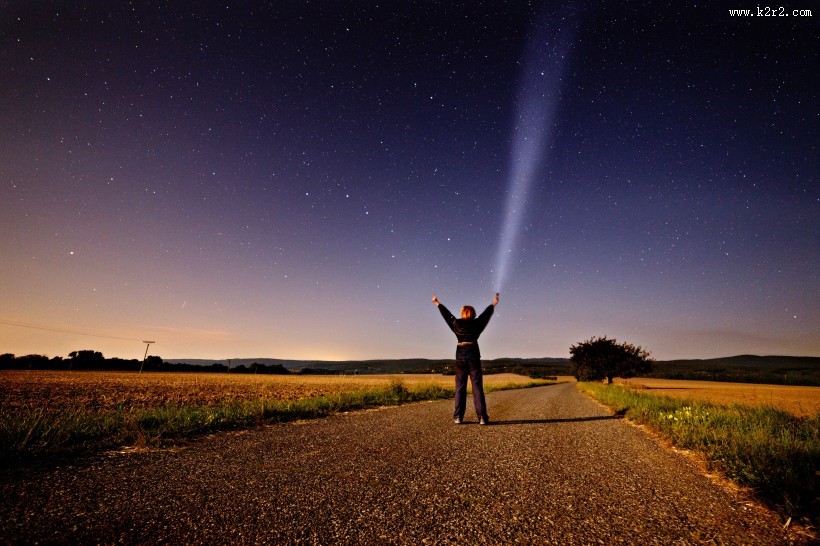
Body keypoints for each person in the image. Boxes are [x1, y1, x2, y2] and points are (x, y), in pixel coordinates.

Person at [432, 292, 499, 425]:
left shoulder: (456, 323)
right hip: (474, 355)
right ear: (473, 314)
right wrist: (493, 305)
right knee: (477, 387)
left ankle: (458, 417)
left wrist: (437, 303)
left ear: (463, 313)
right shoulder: (478, 323)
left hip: (460, 356)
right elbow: (485, 315)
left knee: (460, 387)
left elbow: (447, 315)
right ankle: (482, 418)